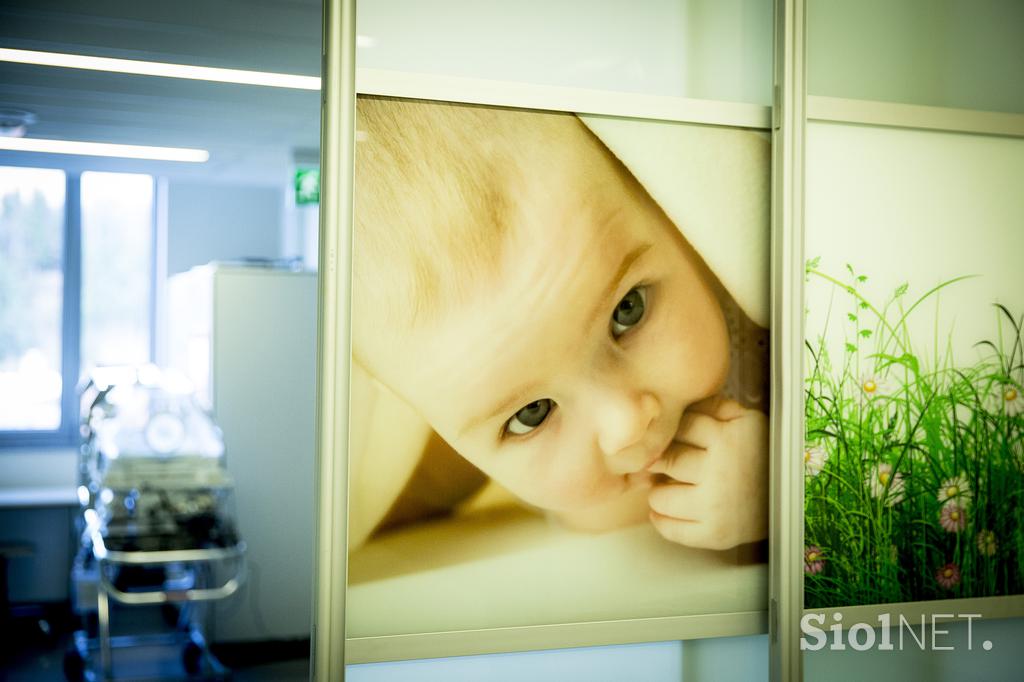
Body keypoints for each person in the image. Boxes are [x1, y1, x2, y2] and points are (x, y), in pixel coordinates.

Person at [349, 96, 768, 552]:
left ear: (664, 209)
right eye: (532, 415)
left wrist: (780, 492)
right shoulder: (450, 442)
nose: (624, 423)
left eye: (628, 310)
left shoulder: (764, 308)